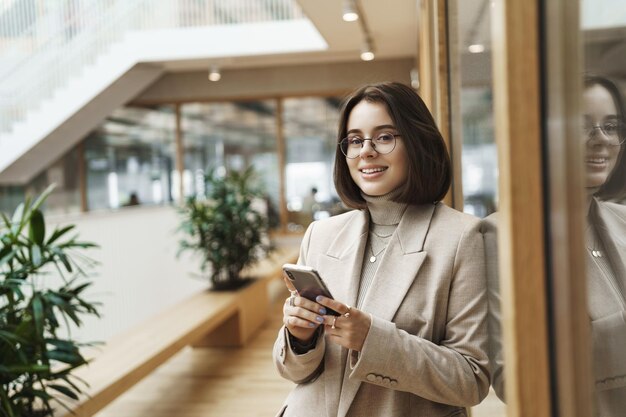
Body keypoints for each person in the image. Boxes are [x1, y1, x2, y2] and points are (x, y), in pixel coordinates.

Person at [273, 82, 490, 417]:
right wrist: (300, 338)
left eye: (385, 137)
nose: (366, 151)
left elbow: (470, 380)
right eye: (356, 140)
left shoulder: (462, 237)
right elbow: (293, 372)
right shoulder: (321, 234)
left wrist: (373, 340)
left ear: (417, 142)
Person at [582, 75, 626, 416]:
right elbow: (512, 376)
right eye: (582, 126)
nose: (601, 140)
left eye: (611, 126)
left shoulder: (622, 218)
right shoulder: (502, 234)